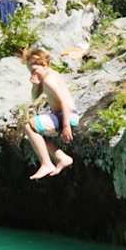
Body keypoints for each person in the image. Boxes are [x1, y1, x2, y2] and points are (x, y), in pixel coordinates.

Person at [22, 48, 78, 180]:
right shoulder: (47, 77)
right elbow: (35, 98)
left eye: (34, 70)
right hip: (61, 116)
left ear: (44, 65)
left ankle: (47, 163)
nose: (33, 73)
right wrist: (35, 85)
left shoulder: (49, 80)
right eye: (30, 71)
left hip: (66, 116)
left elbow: (64, 102)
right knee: (35, 133)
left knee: (28, 126)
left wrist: (66, 126)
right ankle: (62, 157)